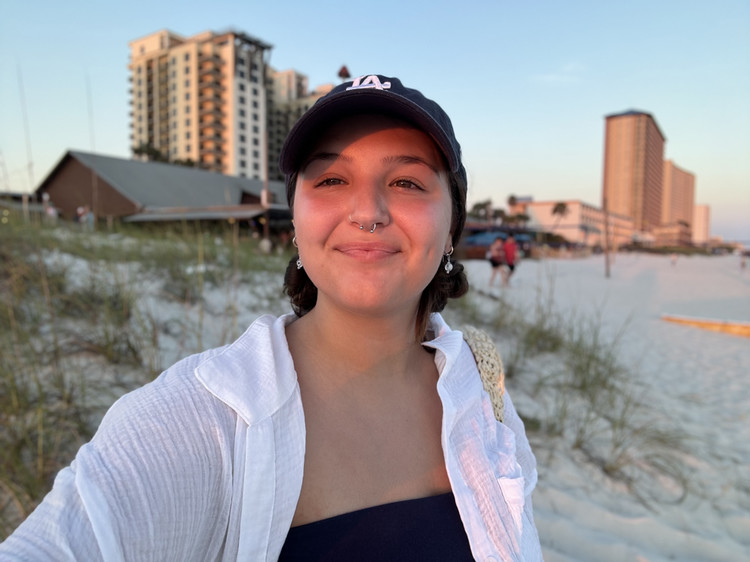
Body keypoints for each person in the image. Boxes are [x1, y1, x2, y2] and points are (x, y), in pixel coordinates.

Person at [0, 74, 541, 561]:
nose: (368, 212)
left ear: (451, 227)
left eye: (407, 183)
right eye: (330, 180)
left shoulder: (479, 385)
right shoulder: (205, 417)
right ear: (296, 223)